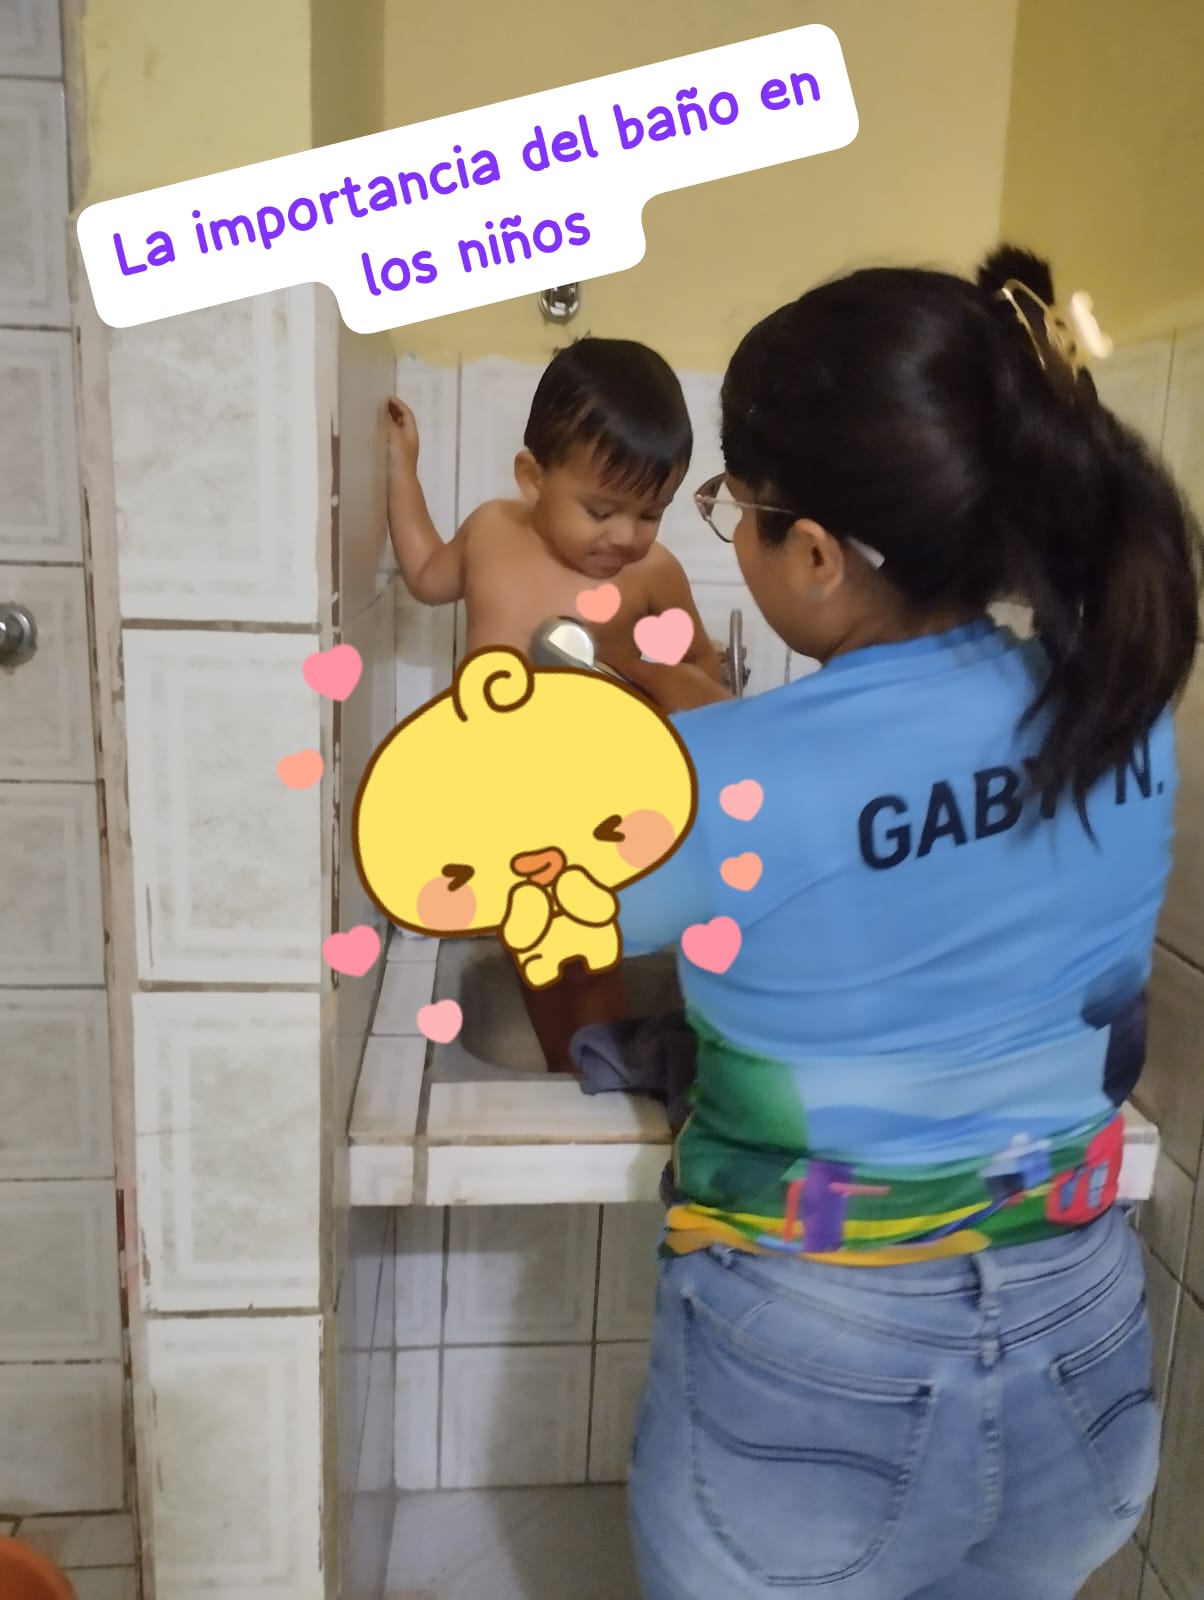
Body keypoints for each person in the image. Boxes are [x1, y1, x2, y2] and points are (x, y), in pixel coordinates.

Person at [612, 245, 1203, 1600]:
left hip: (813, 1362)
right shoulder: (1121, 709)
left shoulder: (718, 781)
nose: (734, 533)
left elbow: (547, 913)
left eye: (736, 506)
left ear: (817, 553)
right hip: (1084, 1341)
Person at [385, 337, 726, 1070]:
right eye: (601, 510)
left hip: (595, 819)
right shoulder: (489, 534)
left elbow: (703, 670)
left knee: (590, 959)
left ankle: (605, 1069)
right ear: (533, 477)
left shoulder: (651, 576)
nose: (625, 536)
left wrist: (646, 681)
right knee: (536, 961)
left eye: (651, 513)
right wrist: (401, 466)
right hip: (503, 819)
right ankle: (570, 1068)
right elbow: (424, 574)